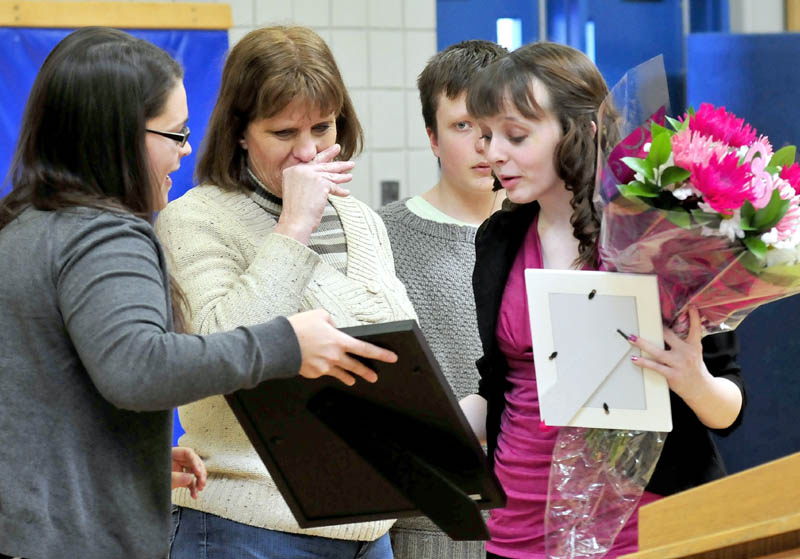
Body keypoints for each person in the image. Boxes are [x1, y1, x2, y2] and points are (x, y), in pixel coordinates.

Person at [0, 27, 398, 559]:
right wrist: (287, 343)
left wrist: (126, 457)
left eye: (323, 128)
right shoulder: (108, 232)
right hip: (107, 536)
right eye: (175, 133)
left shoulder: (28, 224)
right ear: (118, 135)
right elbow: (142, 368)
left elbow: (53, 394)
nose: (185, 151)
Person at [458, 42, 746, 559]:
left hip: (641, 523)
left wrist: (693, 380)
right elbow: (499, 385)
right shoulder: (498, 237)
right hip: (515, 519)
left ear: (582, 128)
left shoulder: (662, 234)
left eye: (516, 135)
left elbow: (727, 406)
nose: (494, 153)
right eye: (486, 136)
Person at [154, 26, 417, 559]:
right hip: (248, 528)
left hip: (369, 527)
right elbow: (215, 354)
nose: (308, 152)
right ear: (240, 132)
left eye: (323, 127)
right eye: (283, 133)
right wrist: (294, 226)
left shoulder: (361, 220)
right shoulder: (193, 220)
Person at [376, 40, 506, 559]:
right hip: (427, 522)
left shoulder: (553, 233)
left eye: (497, 123)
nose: (484, 143)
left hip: (542, 512)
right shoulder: (380, 236)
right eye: (462, 126)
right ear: (431, 137)